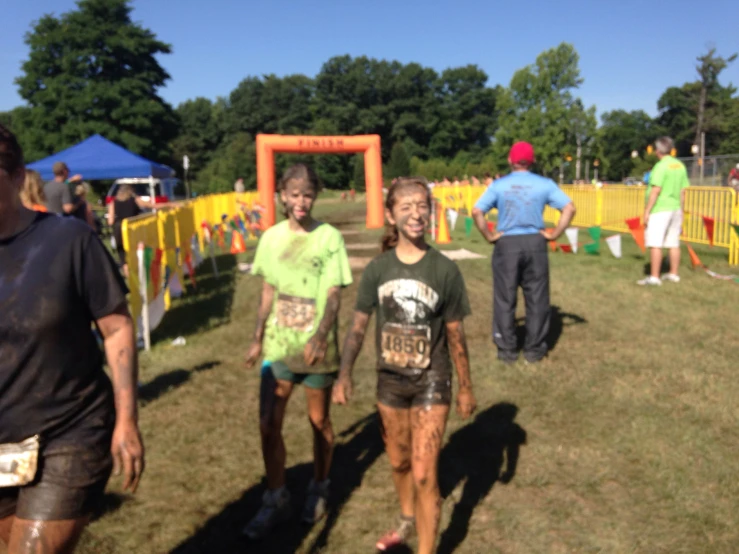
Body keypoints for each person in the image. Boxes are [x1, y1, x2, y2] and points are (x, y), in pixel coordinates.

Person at [0, 123, 144, 553]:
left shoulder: (68, 240)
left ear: (14, 175)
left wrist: (127, 421)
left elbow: (117, 328)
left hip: (70, 430)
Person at [333, 177, 477, 554]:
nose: (416, 214)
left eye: (422, 206)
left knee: (424, 472)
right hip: (391, 383)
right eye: (406, 207)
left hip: (433, 379)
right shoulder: (379, 269)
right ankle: (407, 518)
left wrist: (465, 387)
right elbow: (359, 324)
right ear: (391, 215)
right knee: (398, 462)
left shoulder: (444, 270)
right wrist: (344, 375)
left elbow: (456, 334)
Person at [243, 163, 352, 540]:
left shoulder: (329, 238)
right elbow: (268, 292)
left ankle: (319, 488)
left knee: (318, 420)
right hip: (279, 342)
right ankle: (275, 498)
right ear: (283, 196)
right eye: (294, 194)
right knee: (267, 422)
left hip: (314, 346)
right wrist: (258, 337)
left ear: (315, 196)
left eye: (307, 194)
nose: (301, 201)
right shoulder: (271, 238)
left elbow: (336, 292)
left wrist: (321, 335)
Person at [472, 142, 576, 363]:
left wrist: (489, 236)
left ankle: (507, 350)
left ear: (510, 160)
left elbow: (477, 210)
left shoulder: (499, 185)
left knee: (504, 298)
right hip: (535, 243)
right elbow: (569, 207)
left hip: (507, 243)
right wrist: (555, 233)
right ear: (532, 161)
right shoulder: (544, 184)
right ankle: (534, 350)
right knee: (537, 298)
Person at [638, 136, 690, 286]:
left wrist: (647, 210)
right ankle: (673, 273)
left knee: (655, 243)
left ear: (658, 150)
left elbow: (656, 190)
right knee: (673, 243)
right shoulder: (680, 165)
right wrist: (681, 209)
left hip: (660, 208)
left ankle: (654, 277)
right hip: (675, 208)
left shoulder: (660, 166)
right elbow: (683, 191)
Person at [107, 184, 155, 277]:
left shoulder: (113, 203)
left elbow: (110, 221)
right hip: (132, 229)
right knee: (136, 251)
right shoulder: (135, 200)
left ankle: (129, 277)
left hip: (119, 230)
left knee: (122, 255)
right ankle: (139, 274)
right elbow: (152, 206)